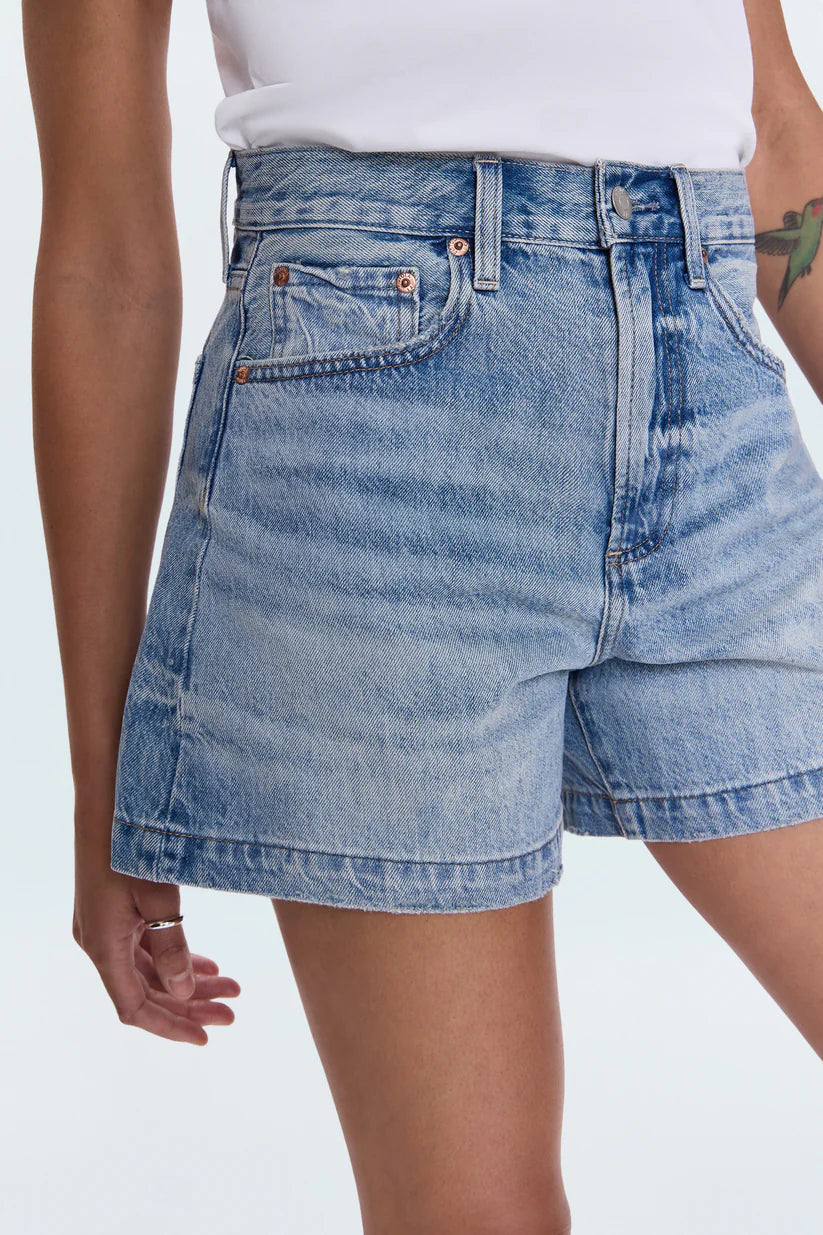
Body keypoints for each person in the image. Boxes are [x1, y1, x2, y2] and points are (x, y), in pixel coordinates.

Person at [24, 0, 823, 1230]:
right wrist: (107, 784)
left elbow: (774, 128)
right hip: (364, 440)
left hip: (710, 402)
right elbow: (104, 262)